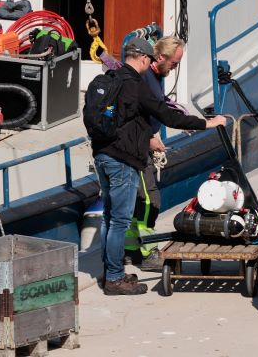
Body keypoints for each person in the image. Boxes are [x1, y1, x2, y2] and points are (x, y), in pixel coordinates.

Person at [92, 38, 226, 295]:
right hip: (122, 161)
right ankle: (115, 279)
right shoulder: (136, 84)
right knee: (120, 220)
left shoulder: (112, 78)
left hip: (102, 155)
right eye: (149, 60)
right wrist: (206, 124)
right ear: (143, 58)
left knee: (109, 217)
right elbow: (166, 115)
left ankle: (110, 272)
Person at [124, 35, 184, 269]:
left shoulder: (155, 77)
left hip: (141, 143)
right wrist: (149, 137)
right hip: (138, 148)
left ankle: (130, 250)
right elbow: (135, 111)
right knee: (150, 200)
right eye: (174, 63)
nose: (175, 67)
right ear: (160, 58)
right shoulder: (146, 79)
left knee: (135, 202)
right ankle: (149, 252)